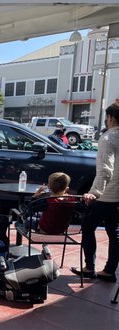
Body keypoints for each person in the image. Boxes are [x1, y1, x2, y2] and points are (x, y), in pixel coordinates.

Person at [72, 103, 119, 282]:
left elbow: (105, 169)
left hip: (106, 195)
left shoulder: (108, 139)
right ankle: (109, 271)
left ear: (110, 118)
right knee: (114, 233)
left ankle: (89, 268)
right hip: (117, 197)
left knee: (88, 227)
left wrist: (94, 192)